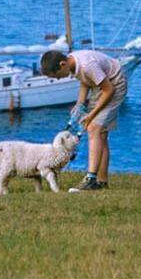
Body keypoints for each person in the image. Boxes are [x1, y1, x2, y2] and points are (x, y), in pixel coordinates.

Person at [39, 48, 128, 191]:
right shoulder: (73, 63)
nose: (58, 79)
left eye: (56, 76)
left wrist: (91, 115)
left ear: (62, 64)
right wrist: (80, 103)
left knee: (94, 128)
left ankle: (91, 179)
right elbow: (85, 80)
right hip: (101, 85)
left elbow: (109, 90)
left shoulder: (87, 65)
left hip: (114, 84)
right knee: (101, 135)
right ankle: (101, 182)